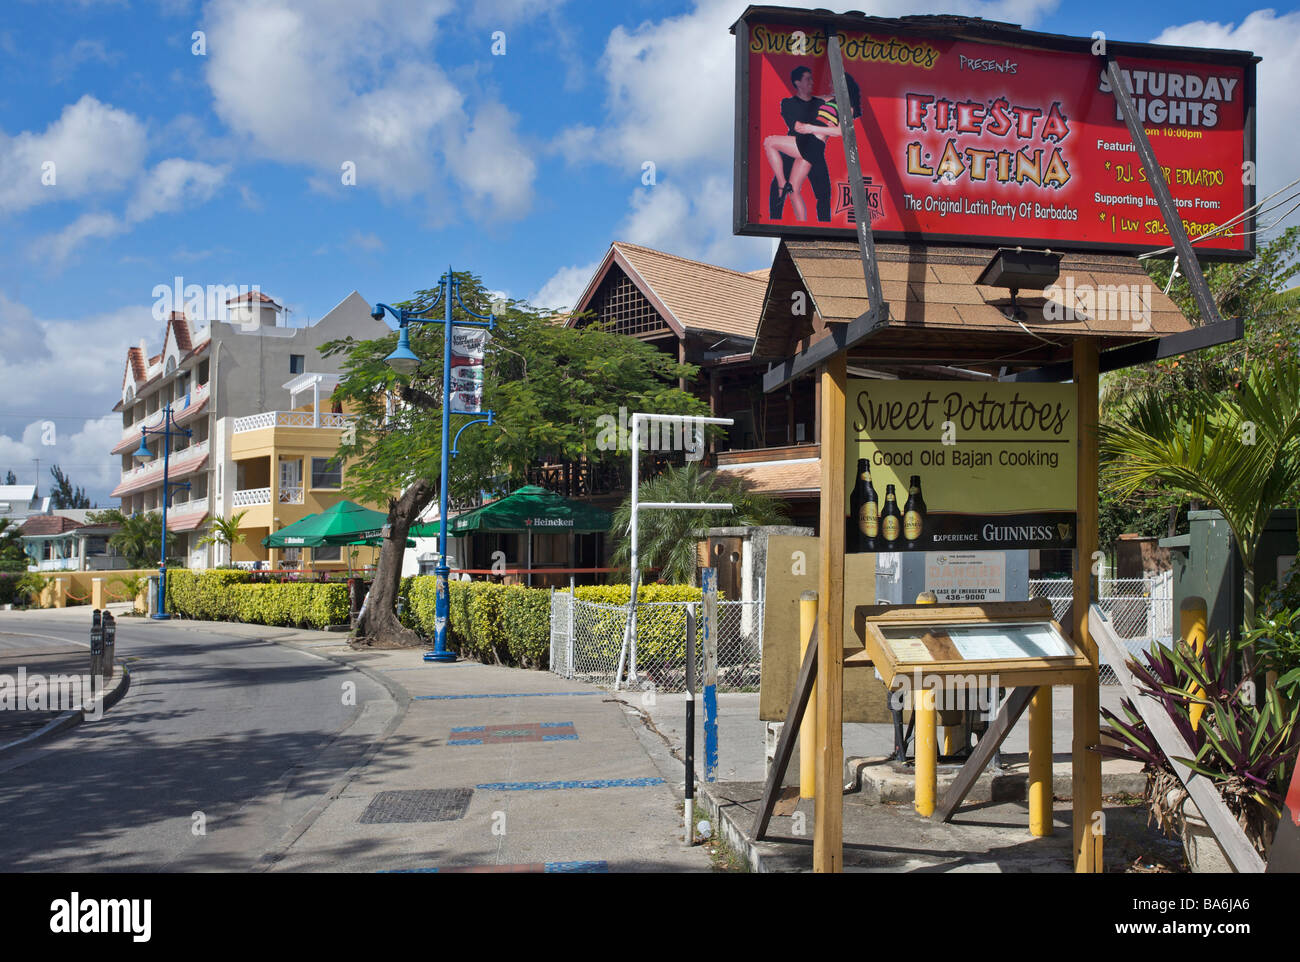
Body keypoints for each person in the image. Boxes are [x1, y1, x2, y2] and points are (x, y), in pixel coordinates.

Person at [763, 69, 862, 222]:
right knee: (794, 190)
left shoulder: (847, 106)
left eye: (833, 82)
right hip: (810, 145)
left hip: (812, 143)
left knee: (769, 142)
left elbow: (842, 131)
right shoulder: (827, 99)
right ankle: (802, 225)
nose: (829, 85)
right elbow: (807, 98)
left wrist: (811, 128)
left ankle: (782, 183)